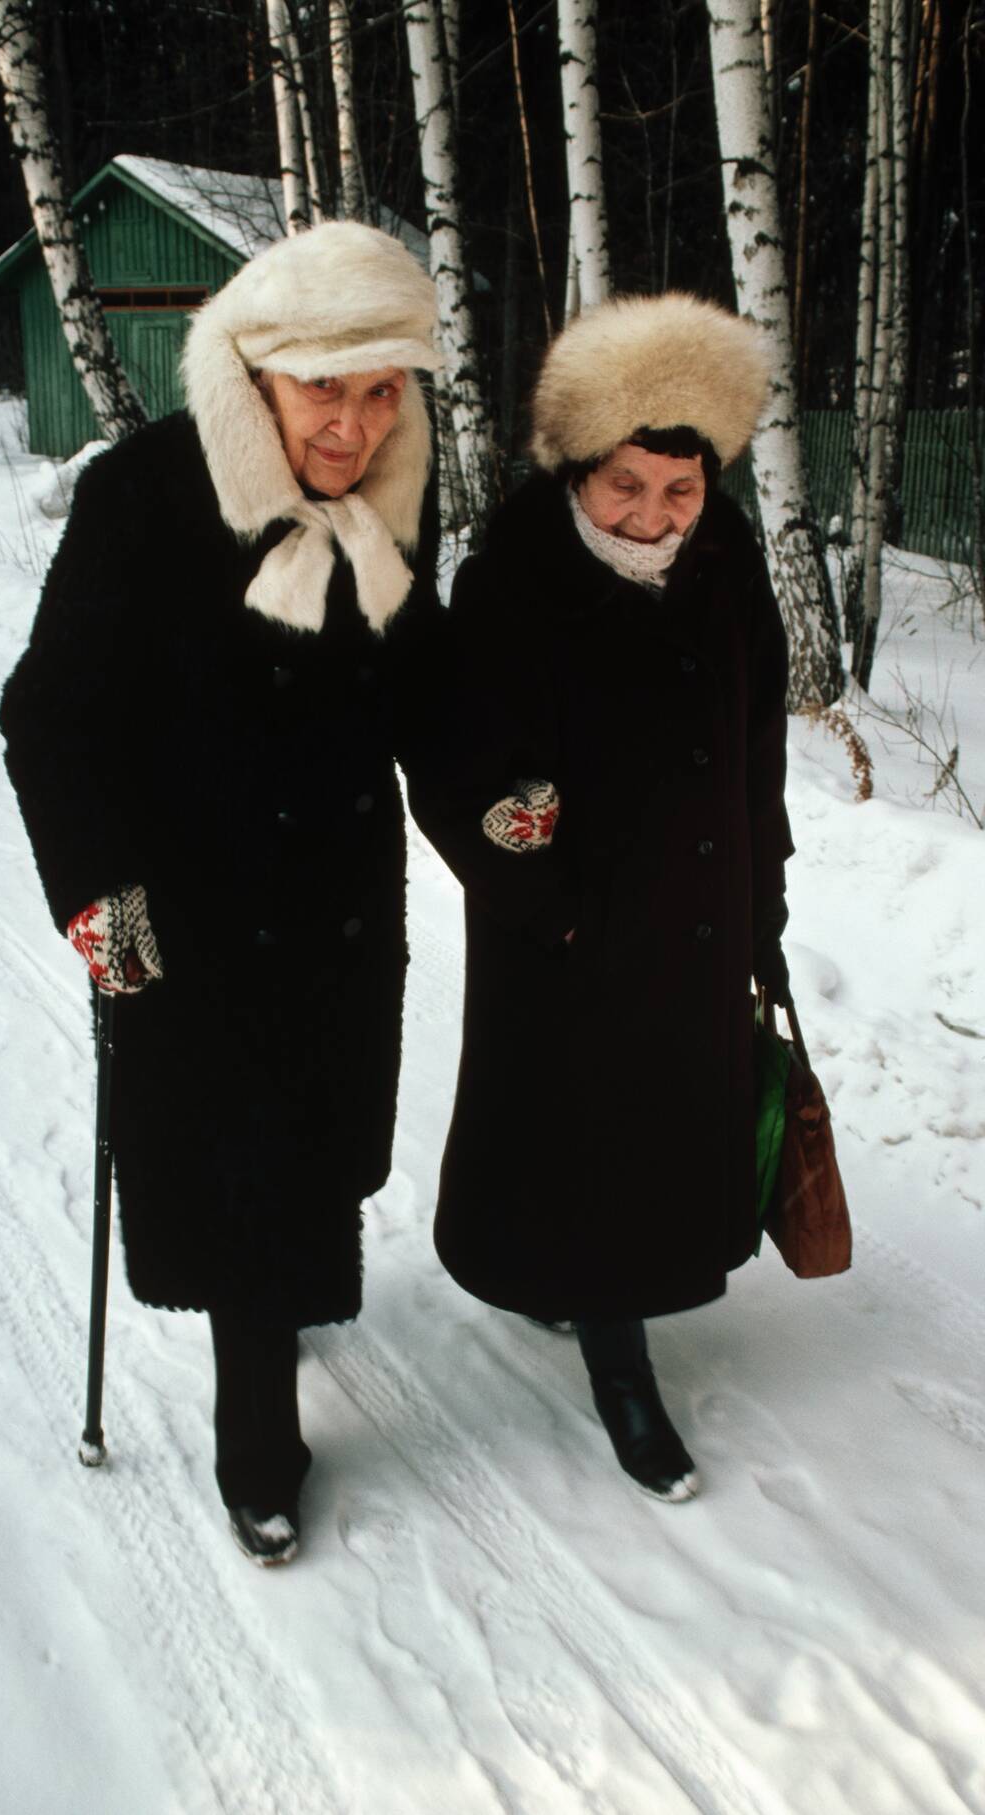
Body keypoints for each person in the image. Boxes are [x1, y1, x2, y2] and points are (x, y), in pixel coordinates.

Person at [0, 222, 443, 1564]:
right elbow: (51, 720)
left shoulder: (394, 491)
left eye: (382, 392)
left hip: (337, 910)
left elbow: (424, 680)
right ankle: (259, 1437)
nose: (356, 426)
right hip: (192, 915)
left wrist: (502, 790)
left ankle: (281, 1303)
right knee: (246, 1179)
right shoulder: (146, 493)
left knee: (313, 1154)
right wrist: (104, 912)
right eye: (328, 391)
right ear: (259, 373)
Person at [409, 292, 793, 1502]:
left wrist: (763, 898)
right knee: (584, 1137)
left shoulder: (728, 559)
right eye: (627, 486)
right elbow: (460, 765)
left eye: (682, 491)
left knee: (659, 1135)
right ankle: (623, 1372)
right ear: (580, 465)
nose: (656, 517)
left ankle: (594, 1294)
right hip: (569, 928)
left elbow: (757, 745)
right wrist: (547, 901)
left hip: (696, 911)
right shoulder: (514, 578)